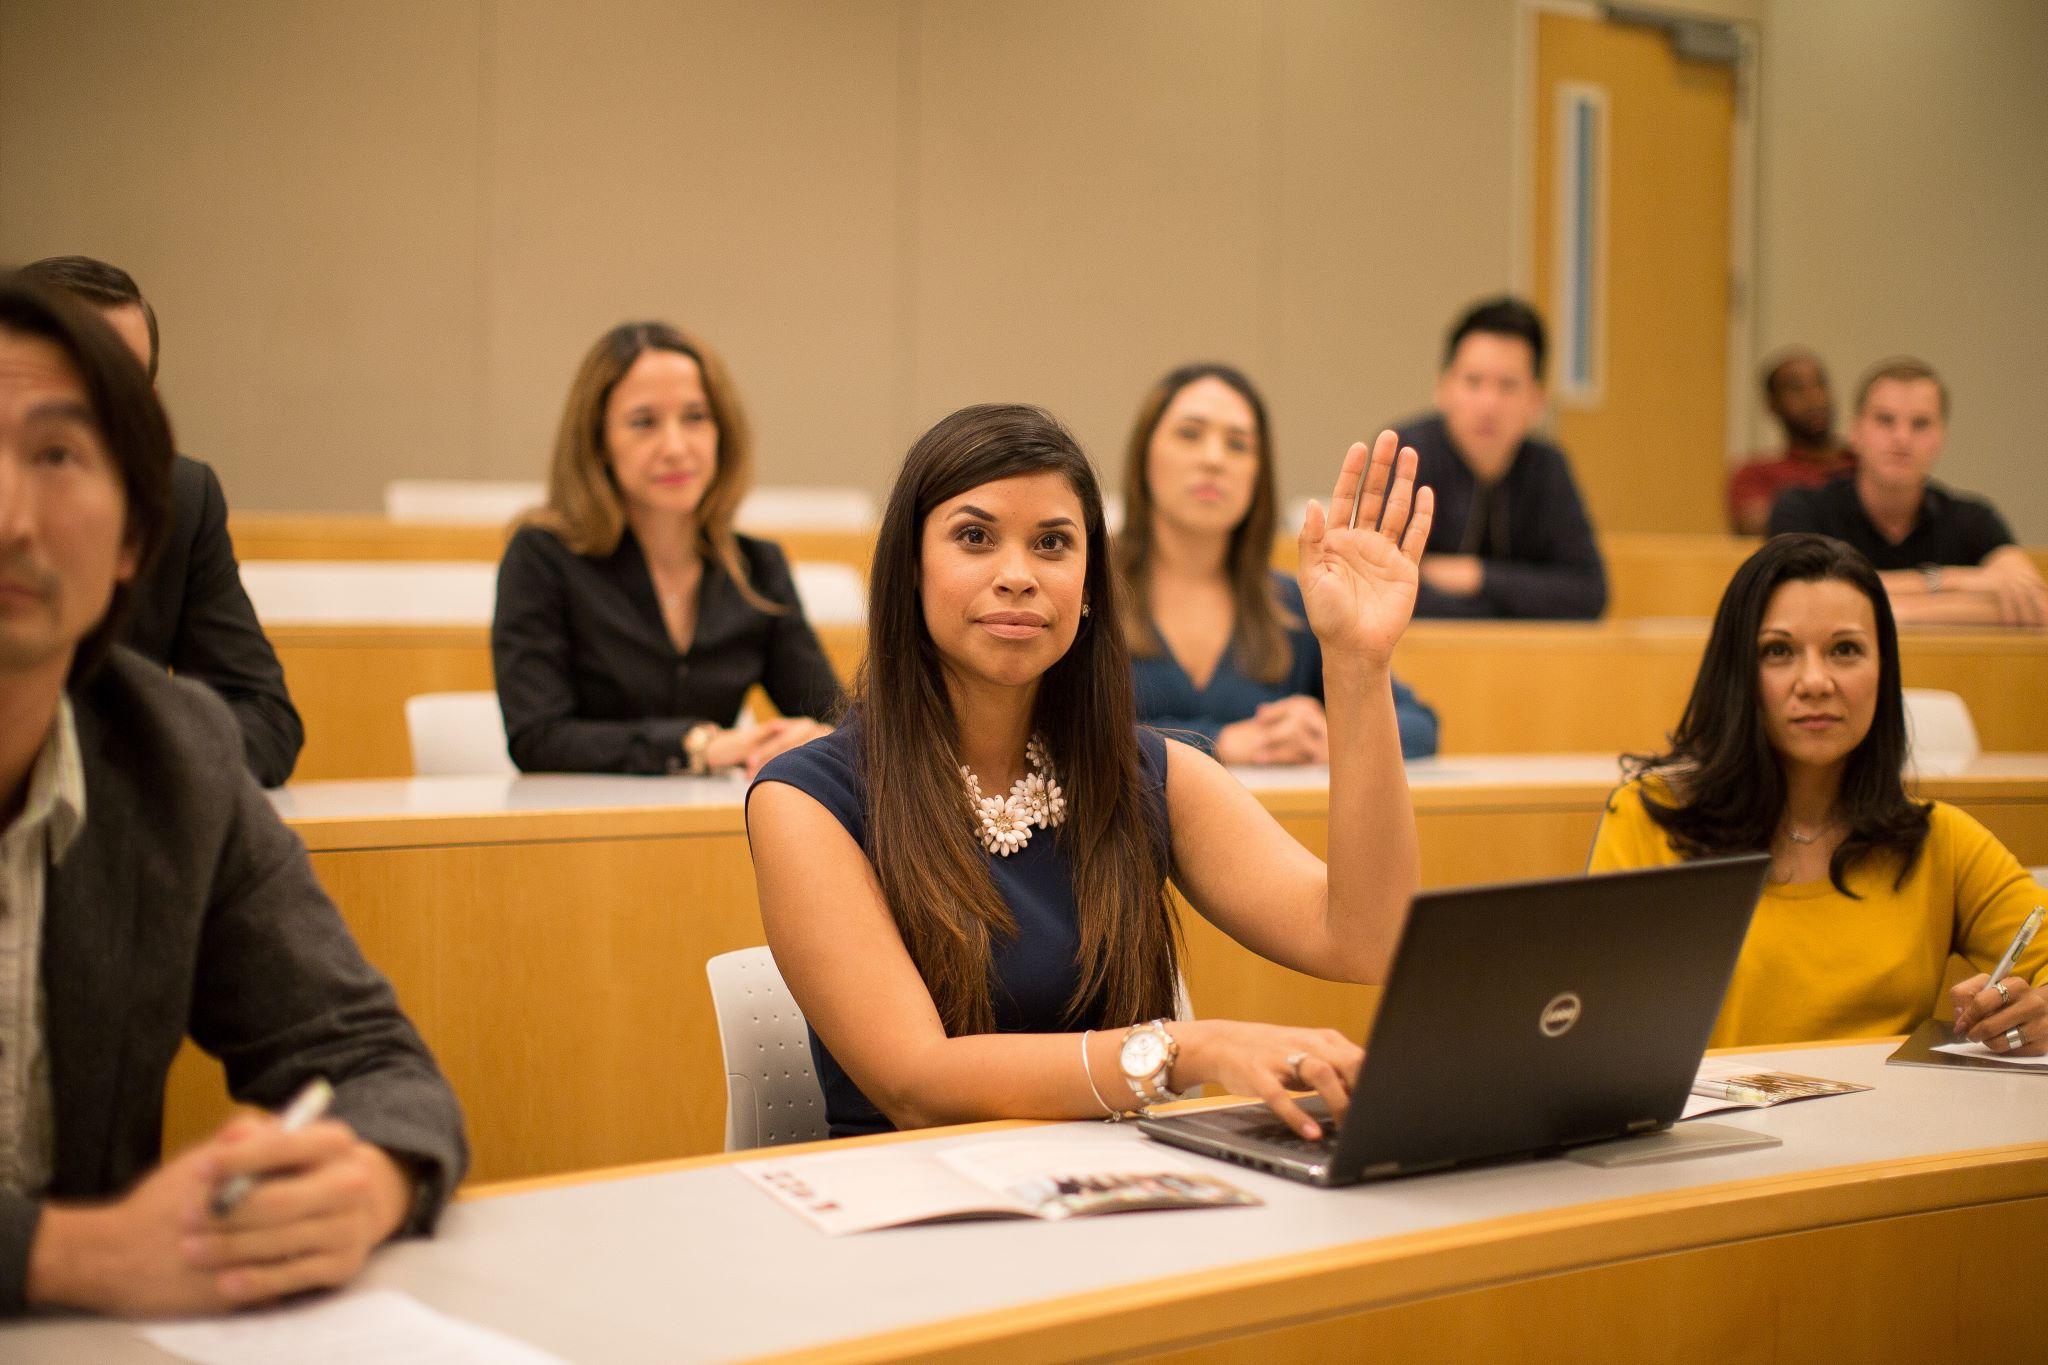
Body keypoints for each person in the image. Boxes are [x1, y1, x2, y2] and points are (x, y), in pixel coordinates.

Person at [747, 403, 1433, 1143]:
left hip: (1123, 1201)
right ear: (909, 570)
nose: (1017, 576)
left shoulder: (1150, 771)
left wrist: (1358, 664)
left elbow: (1368, 937)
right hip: (917, 1218)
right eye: (974, 538)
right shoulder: (807, 796)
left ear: (1091, 585)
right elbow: (916, 1081)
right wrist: (1180, 1050)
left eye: (1053, 544)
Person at [0, 274, 466, 1317]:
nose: (8, 514)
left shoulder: (173, 758)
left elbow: (376, 1063)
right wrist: (66, 1254)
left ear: (132, 539)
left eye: (59, 454)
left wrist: (365, 1182)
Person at [1588, 533, 2047, 1053]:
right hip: (1712, 1131)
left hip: (1896, 1131)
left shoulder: (1940, 840)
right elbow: (1582, 1020)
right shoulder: (1650, 820)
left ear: (1884, 670)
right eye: (1778, 651)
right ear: (1739, 673)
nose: (1815, 681)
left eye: (1844, 650)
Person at [493, 321, 842, 775]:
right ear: (598, 442)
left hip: (713, 825)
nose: (676, 447)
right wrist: (696, 745)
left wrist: (820, 737)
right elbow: (537, 737)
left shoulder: (756, 567)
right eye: (644, 423)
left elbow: (837, 716)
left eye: (695, 417)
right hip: (584, 830)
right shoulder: (543, 557)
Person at [17, 255, 302, 786]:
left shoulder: (177, 501)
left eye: (118, 384)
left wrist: (124, 775)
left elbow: (264, 719)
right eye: (66, 381)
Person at [1115, 363, 1437, 761]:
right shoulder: (1087, 590)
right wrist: (1218, 743)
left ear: (1258, 475)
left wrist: (1332, 731)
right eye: (1189, 434)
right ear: (1144, 455)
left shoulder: (1293, 603)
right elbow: (1051, 734)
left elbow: (1421, 727)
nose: (1214, 459)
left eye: (1238, 444)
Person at [1768, 357, 2046, 626]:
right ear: (1856, 431)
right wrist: (1957, 582)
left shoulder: (1974, 518)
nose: (1902, 437)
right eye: (1885, 420)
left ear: (1941, 437)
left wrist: (1895, 613)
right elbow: (1799, 598)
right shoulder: (1803, 508)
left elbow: (2033, 601)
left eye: (1921, 423)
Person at [1394, 297, 1606, 619]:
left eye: (1507, 386)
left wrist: (1476, 576)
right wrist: (1512, 603)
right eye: (1473, 382)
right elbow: (1384, 584)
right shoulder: (1407, 453)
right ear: (1442, 388)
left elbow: (1589, 593)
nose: (1489, 404)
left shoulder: (1547, 467)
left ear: (1536, 401)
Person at [1725, 347, 1855, 535]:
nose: (1814, 397)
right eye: (1797, 388)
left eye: (1820, 384)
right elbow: (1757, 529)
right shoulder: (1755, 475)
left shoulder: (1863, 462)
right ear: (1772, 404)